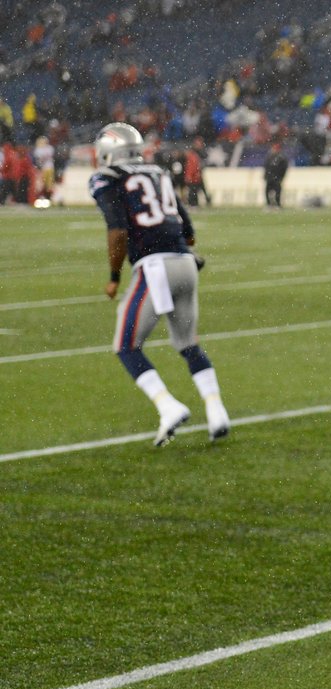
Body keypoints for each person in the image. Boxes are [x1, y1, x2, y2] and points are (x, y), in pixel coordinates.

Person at [89, 122, 229, 446]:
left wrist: (113, 276)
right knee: (187, 344)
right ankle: (216, 409)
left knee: (126, 346)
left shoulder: (107, 179)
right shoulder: (157, 173)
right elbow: (188, 231)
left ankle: (168, 406)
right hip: (185, 262)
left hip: (154, 268)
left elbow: (118, 230)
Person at [264, 142, 288, 207]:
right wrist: (266, 176)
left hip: (277, 178)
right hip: (270, 178)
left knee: (277, 192)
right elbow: (266, 167)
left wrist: (281, 177)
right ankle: (269, 204)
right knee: (267, 191)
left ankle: (277, 204)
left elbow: (284, 169)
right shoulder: (270, 157)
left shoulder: (281, 158)